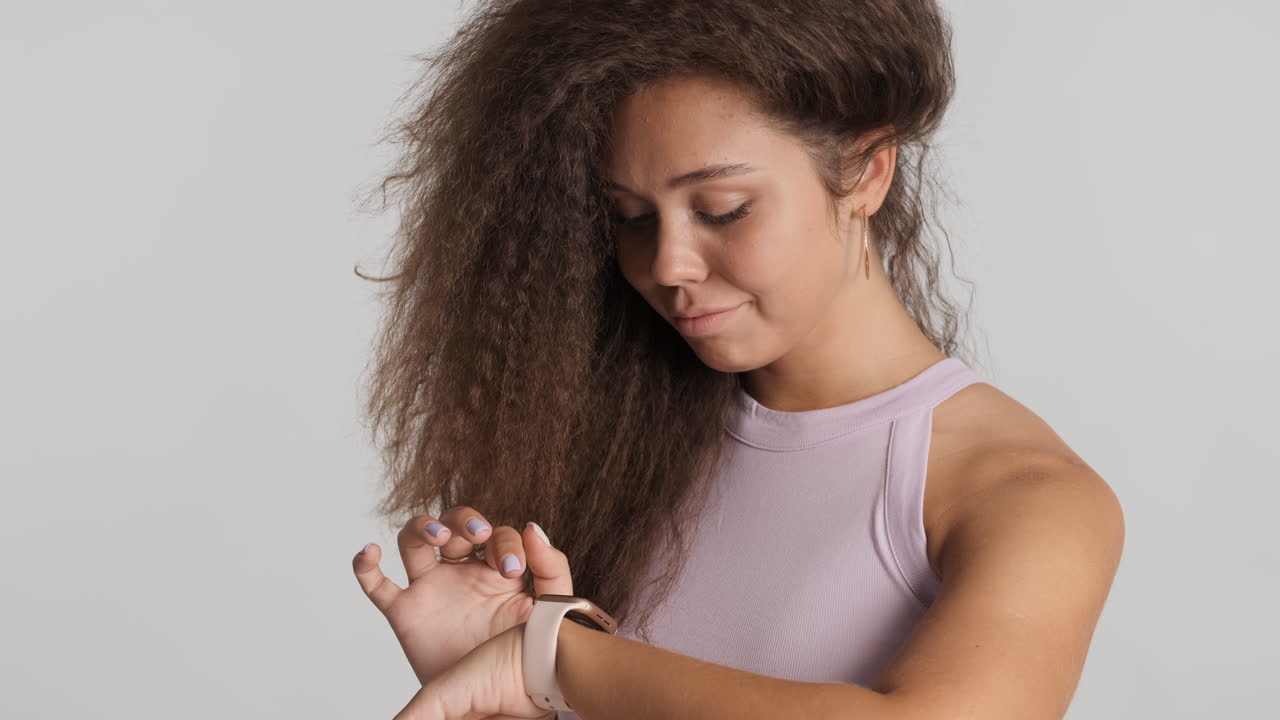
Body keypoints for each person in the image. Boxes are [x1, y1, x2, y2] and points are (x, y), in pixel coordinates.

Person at [351, 1, 1125, 718]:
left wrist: (548, 656)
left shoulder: (1025, 497)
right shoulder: (618, 445)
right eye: (630, 217)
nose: (669, 264)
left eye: (723, 210)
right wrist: (508, 676)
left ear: (866, 171)